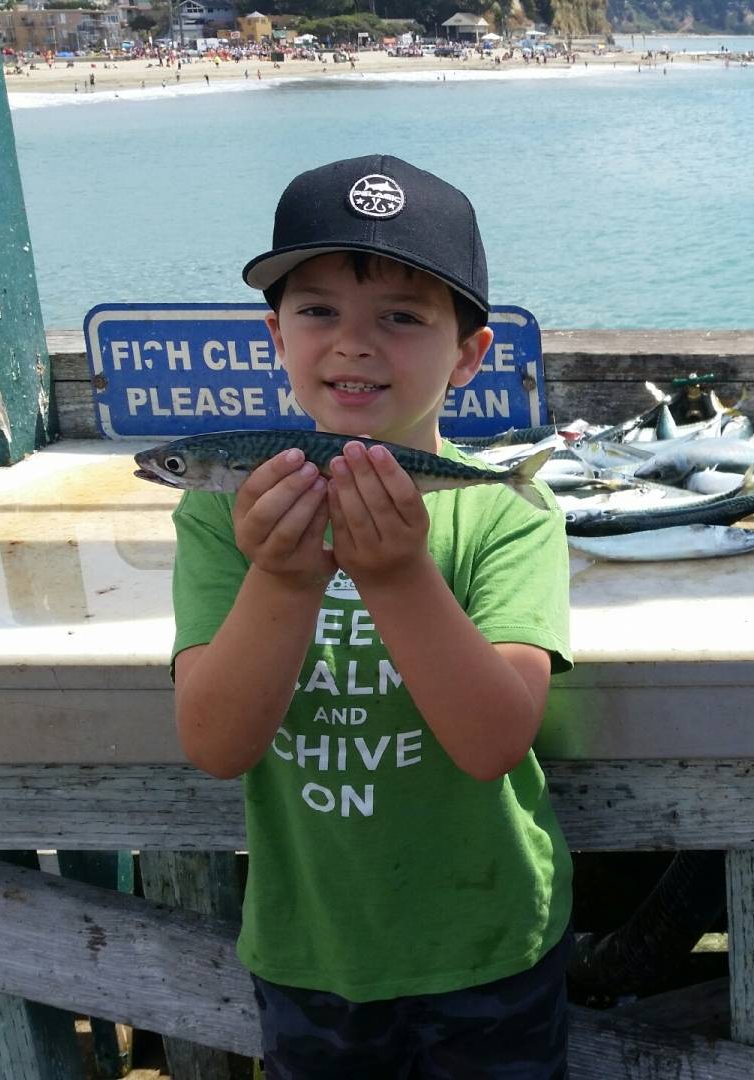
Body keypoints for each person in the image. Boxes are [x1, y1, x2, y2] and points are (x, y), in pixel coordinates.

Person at [170, 154, 575, 1078]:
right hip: (313, 946)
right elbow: (217, 742)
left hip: (492, 941)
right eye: (319, 312)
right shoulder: (220, 512)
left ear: (468, 355)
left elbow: (494, 741)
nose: (354, 344)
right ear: (275, 336)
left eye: (401, 317)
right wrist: (280, 579)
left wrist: (396, 577)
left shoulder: (505, 510)